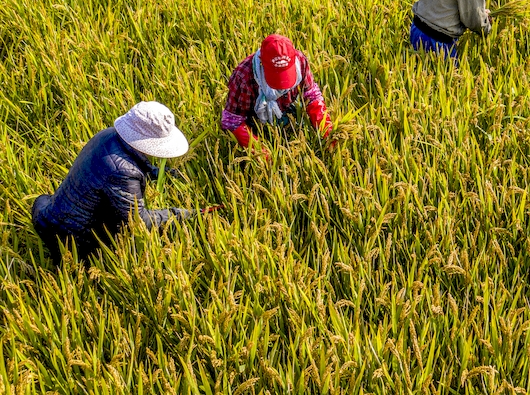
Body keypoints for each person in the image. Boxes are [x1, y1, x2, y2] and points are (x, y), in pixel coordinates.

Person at [31, 101, 196, 265]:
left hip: (52, 212)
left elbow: (132, 159)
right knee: (122, 242)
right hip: (71, 238)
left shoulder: (107, 135)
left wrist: (159, 173)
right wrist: (180, 214)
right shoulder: (123, 172)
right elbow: (139, 221)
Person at [222, 34, 332, 150]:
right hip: (254, 120)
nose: (281, 86)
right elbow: (231, 121)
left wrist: (327, 131)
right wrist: (260, 151)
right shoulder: (244, 76)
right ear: (261, 62)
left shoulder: (300, 61)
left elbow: (312, 96)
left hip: (288, 108)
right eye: (276, 75)